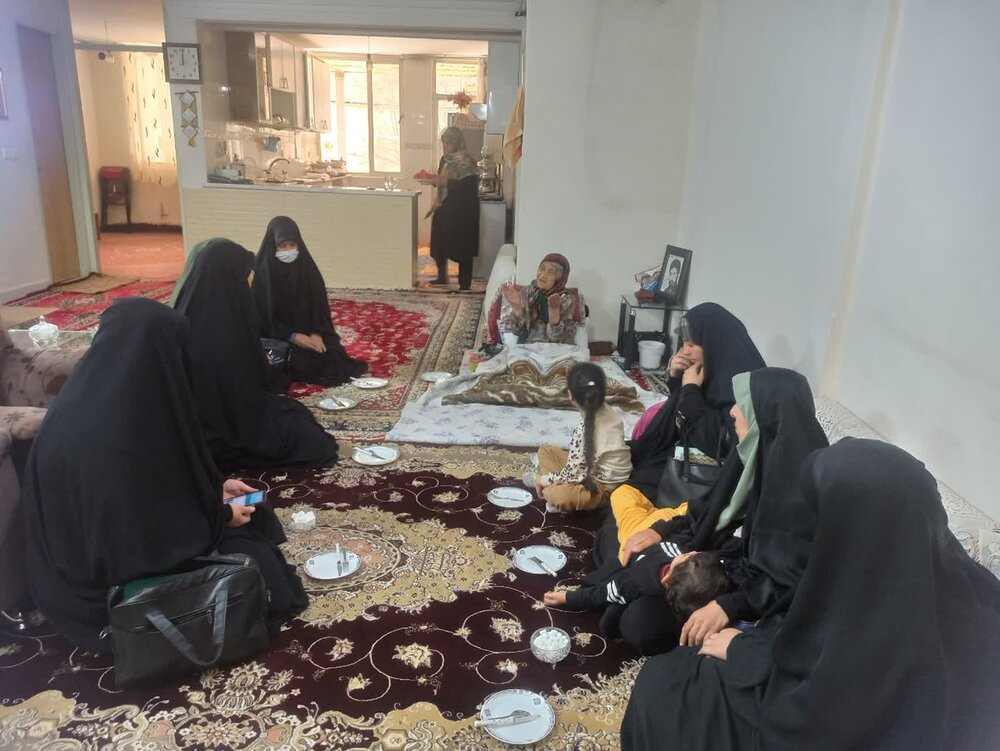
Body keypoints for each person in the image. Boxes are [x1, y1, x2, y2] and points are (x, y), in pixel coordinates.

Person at [621, 438, 1000, 751]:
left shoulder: (880, 604)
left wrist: (740, 649)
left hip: (818, 724)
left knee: (665, 686)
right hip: (823, 696)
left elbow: (821, 708)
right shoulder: (946, 578)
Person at [20, 298, 308, 652]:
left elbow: (153, 479)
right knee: (260, 570)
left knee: (253, 517)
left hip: (92, 558)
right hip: (107, 590)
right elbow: (135, 542)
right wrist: (218, 517)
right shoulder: (114, 438)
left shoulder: (93, 399)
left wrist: (212, 488)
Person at [601, 367, 829, 655]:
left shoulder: (799, 494)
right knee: (627, 548)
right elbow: (707, 510)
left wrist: (727, 605)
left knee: (640, 622)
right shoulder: (752, 453)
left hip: (744, 593)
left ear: (765, 418)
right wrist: (660, 531)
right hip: (714, 561)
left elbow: (789, 582)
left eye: (742, 405)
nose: (732, 411)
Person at [172, 238, 338, 471]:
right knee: (309, 439)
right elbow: (239, 396)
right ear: (230, 277)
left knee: (295, 413)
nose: (251, 279)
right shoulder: (222, 330)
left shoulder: (188, 314)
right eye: (246, 274)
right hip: (222, 428)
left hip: (192, 427)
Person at [611, 303, 766, 541]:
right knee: (622, 491)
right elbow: (678, 417)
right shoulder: (706, 371)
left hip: (707, 480)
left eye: (692, 344)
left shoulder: (742, 390)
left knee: (620, 523)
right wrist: (676, 379)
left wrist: (691, 390)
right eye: (683, 343)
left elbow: (717, 442)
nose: (684, 351)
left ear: (715, 345)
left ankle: (641, 539)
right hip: (679, 461)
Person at [252, 215, 368, 387]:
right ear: (273, 245)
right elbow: (263, 318)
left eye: (292, 245)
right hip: (278, 336)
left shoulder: (308, 270)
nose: (288, 250)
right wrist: (292, 336)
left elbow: (319, 307)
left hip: (310, 332)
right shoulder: (263, 276)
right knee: (301, 364)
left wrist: (316, 333)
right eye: (282, 246)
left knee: (334, 354)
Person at [533, 362, 632, 511]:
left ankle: (553, 488)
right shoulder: (606, 409)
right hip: (588, 471)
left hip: (605, 489)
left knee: (557, 495)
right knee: (546, 450)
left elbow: (574, 474)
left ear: (570, 396)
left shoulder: (587, 430)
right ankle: (555, 484)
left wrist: (542, 480)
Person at [543, 551, 730, 625]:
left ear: (668, 578)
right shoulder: (681, 556)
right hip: (636, 560)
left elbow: (602, 594)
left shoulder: (636, 582)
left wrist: (568, 597)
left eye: (688, 557)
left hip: (625, 579)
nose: (691, 552)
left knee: (609, 598)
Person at [428, 126, 480, 290]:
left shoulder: (468, 162)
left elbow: (469, 187)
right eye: (443, 142)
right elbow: (441, 178)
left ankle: (464, 283)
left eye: (449, 142)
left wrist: (445, 182)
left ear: (458, 143)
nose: (445, 146)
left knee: (463, 247)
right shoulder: (445, 160)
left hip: (464, 211)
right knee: (439, 241)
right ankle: (441, 276)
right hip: (445, 206)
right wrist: (433, 180)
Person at [499, 253, 578, 344]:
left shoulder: (565, 299)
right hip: (528, 347)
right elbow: (518, 332)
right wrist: (517, 307)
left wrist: (554, 313)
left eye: (551, 272)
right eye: (542, 268)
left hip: (557, 349)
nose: (543, 275)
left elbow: (557, 338)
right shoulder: (527, 292)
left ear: (559, 278)